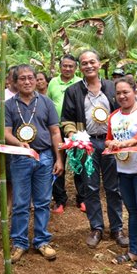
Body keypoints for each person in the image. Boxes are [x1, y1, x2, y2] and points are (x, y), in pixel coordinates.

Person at [61, 50, 128, 248]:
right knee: (89, 187)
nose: (88, 66)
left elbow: (124, 110)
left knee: (113, 187)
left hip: (110, 143)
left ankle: (117, 228)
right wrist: (73, 134)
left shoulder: (112, 86)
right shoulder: (73, 90)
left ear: (99, 64)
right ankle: (96, 228)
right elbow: (66, 119)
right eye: (84, 63)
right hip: (88, 143)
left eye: (92, 62)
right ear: (80, 68)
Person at [5, 65, 64, 263]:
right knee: (21, 203)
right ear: (15, 82)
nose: (27, 82)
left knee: (43, 201)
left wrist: (59, 158)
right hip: (21, 157)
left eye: (31, 78)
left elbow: (55, 132)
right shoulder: (9, 105)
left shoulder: (46, 102)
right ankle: (19, 242)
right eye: (22, 78)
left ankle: (41, 241)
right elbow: (5, 132)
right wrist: (18, 143)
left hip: (45, 157)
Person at [107, 77, 137, 272]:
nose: (122, 96)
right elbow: (109, 139)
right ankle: (134, 251)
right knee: (132, 212)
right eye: (118, 93)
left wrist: (122, 144)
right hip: (123, 170)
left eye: (126, 92)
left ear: (135, 91)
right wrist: (110, 144)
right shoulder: (113, 116)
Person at [47, 54, 85, 214]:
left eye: (71, 66)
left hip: (76, 128)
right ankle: (60, 200)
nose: (68, 68)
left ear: (76, 68)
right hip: (56, 129)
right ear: (60, 66)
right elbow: (49, 102)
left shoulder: (80, 83)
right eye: (65, 66)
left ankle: (82, 198)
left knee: (79, 163)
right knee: (57, 162)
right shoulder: (53, 83)